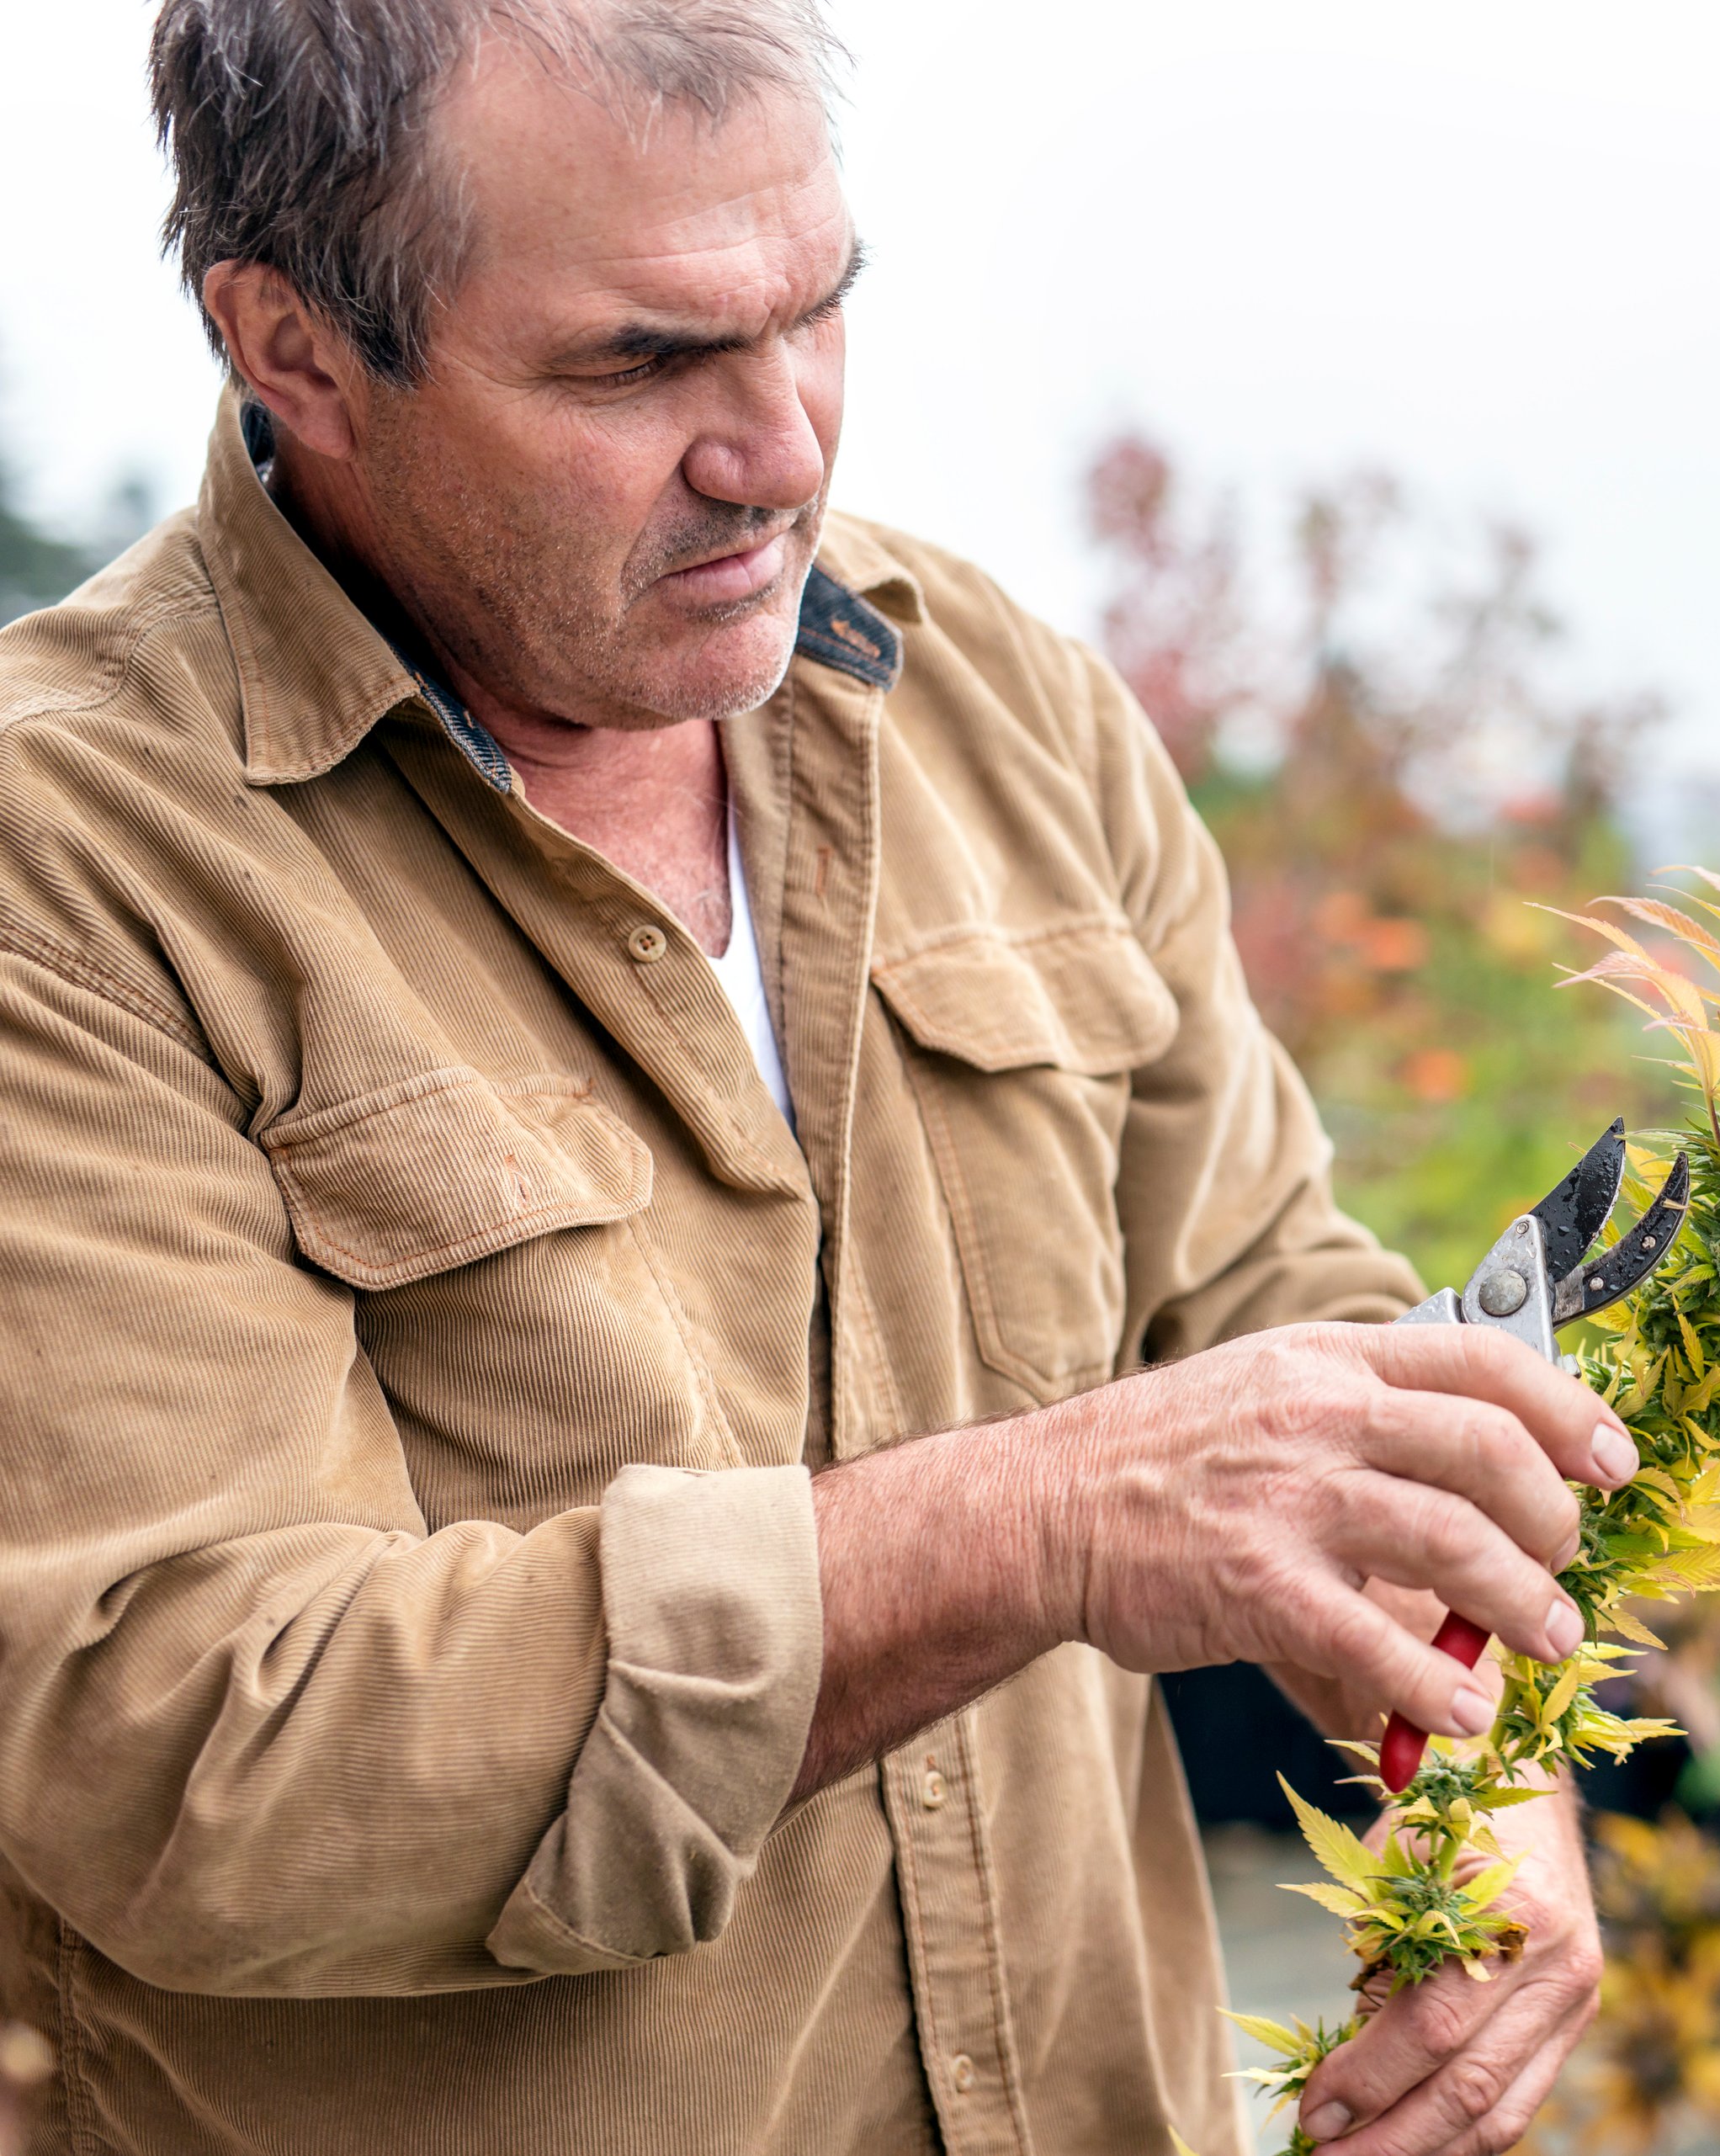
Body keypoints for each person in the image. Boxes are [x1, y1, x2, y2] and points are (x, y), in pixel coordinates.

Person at [0, 3, 1618, 2149]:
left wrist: (1479, 1753)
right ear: (291, 345)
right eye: (641, 363)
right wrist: (1046, 1518)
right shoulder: (75, 870)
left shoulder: (989, 704)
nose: (780, 448)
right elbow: (205, 1754)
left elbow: (1274, 1313)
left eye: (816, 311)